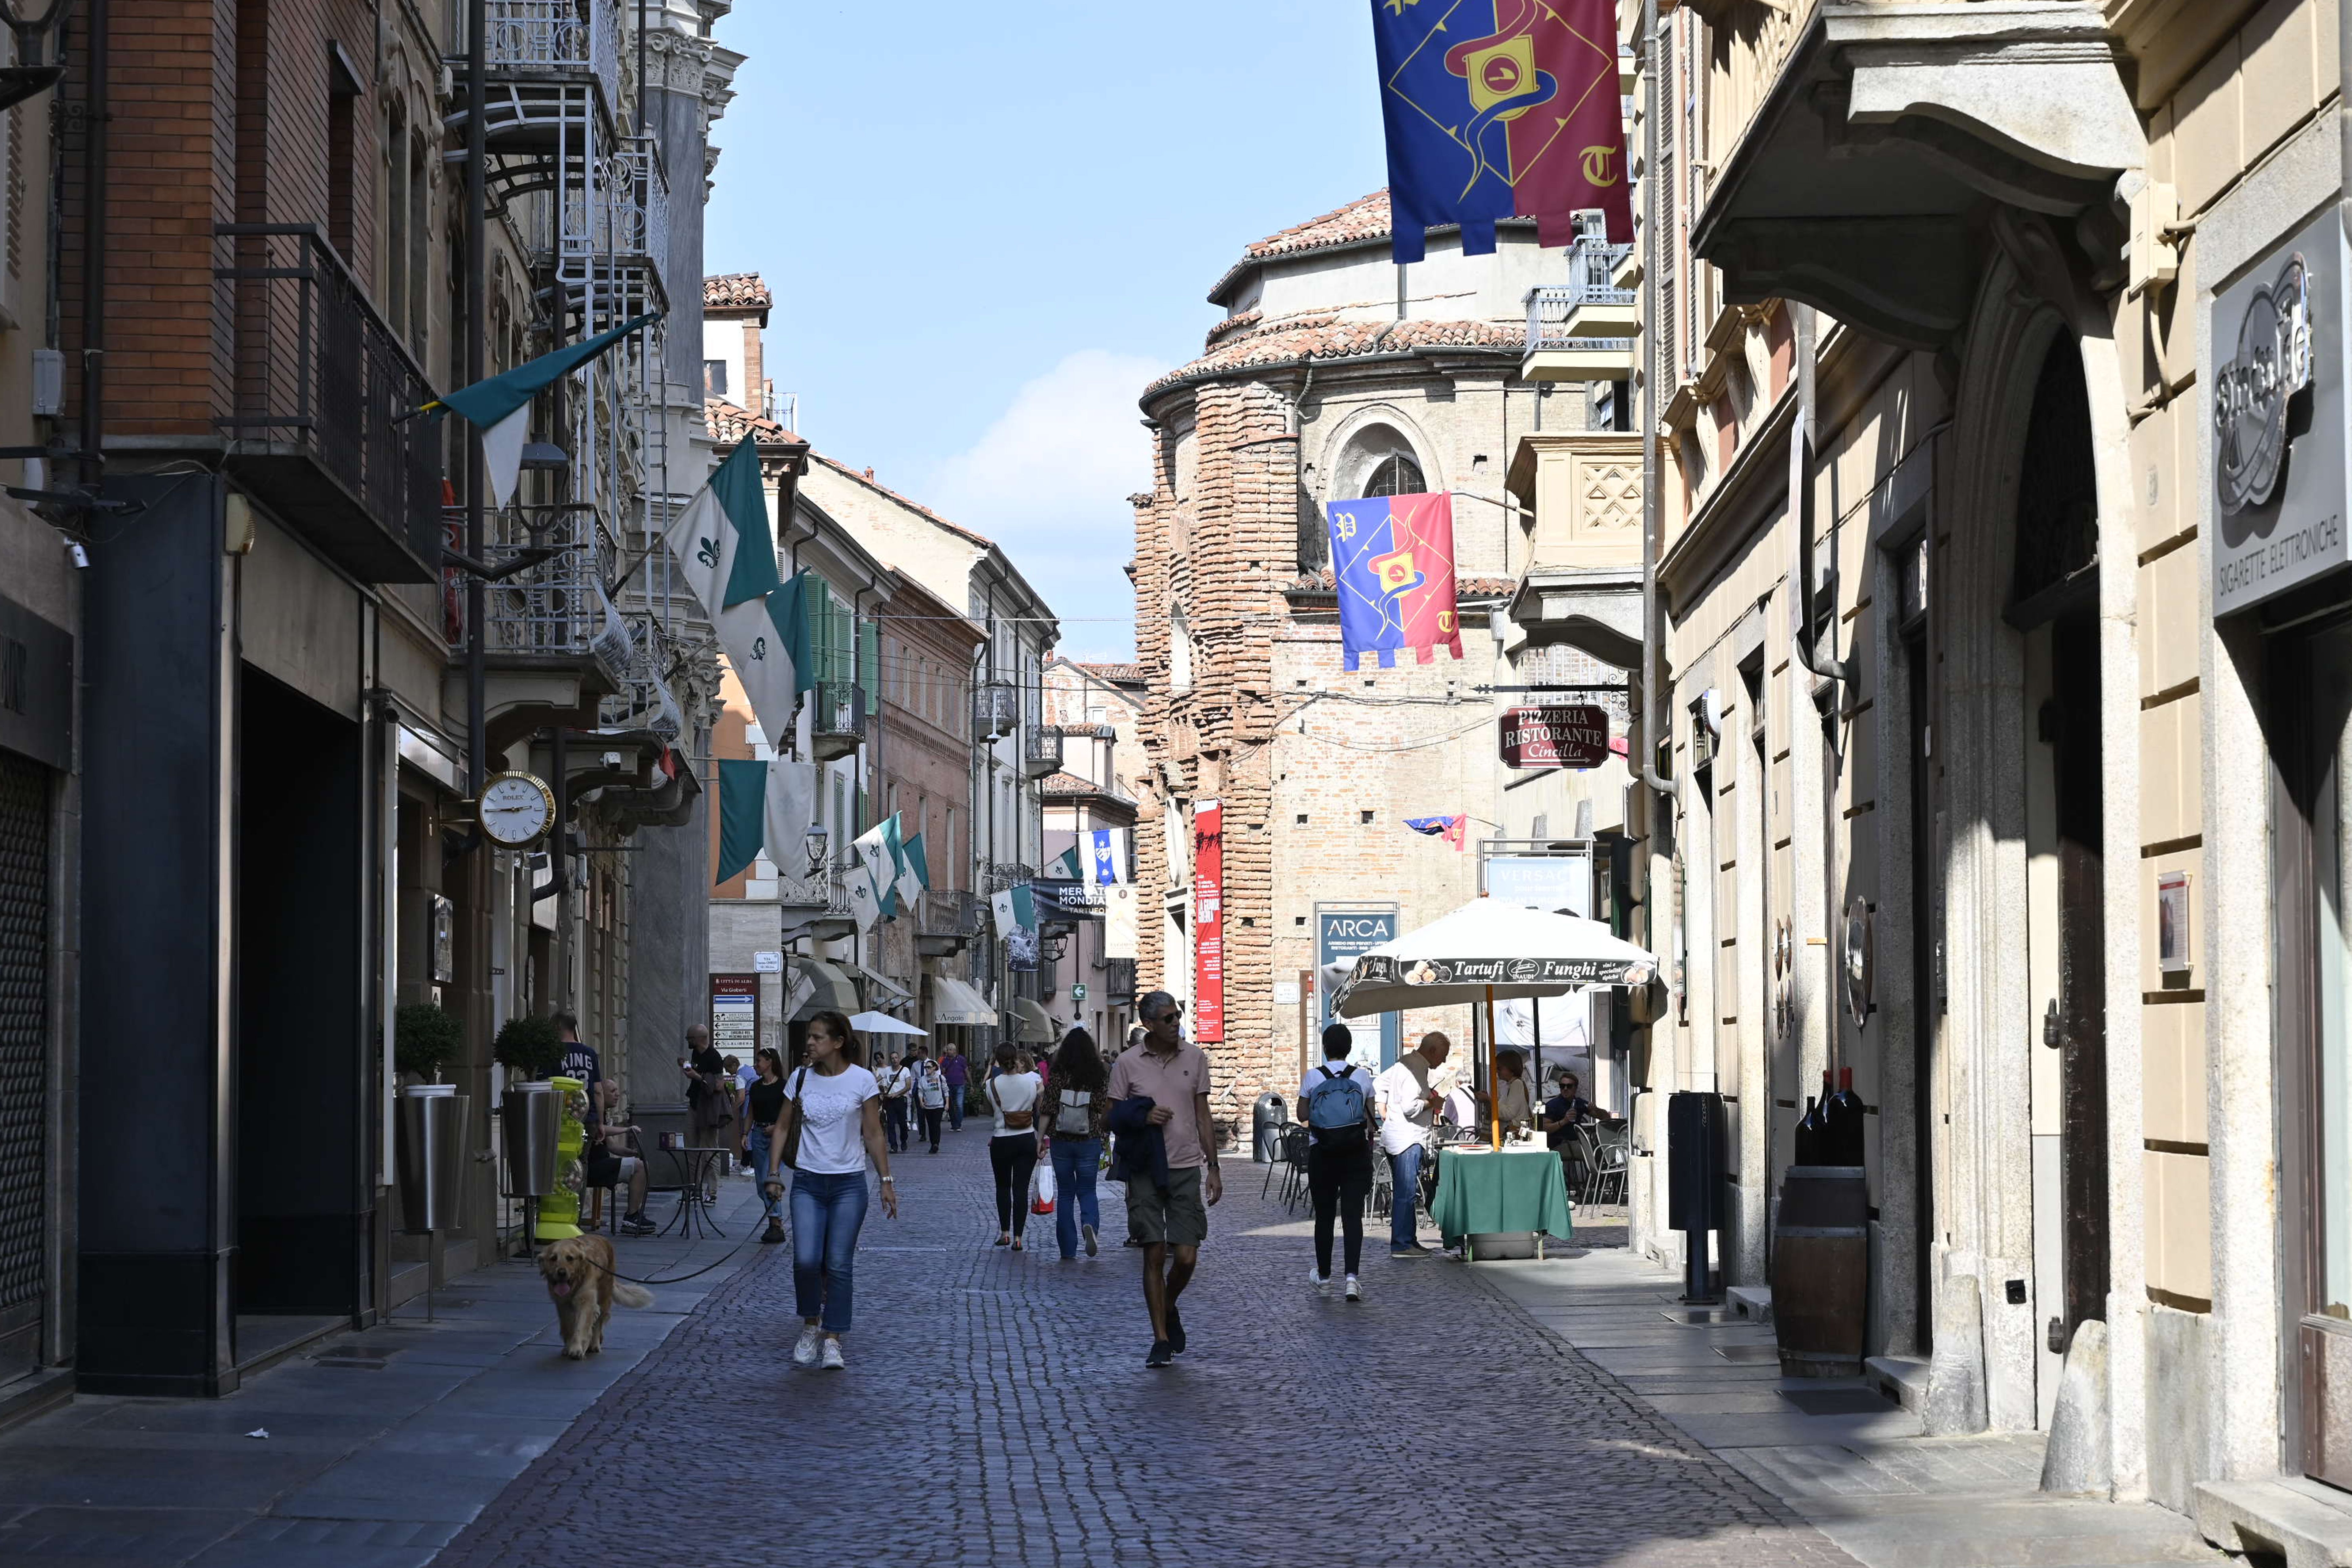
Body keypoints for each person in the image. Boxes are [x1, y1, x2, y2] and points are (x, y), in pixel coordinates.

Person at [763, 1010, 896, 1370]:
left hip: (849, 1184)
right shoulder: (800, 1078)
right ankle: (811, 1325)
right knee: (806, 1260)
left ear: (838, 1042)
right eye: (809, 1036)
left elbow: (873, 1133)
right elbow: (782, 1128)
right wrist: (773, 1173)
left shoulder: (862, 1080)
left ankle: (834, 1339)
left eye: (818, 1037)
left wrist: (886, 1181)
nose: (810, 1042)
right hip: (807, 1181)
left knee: (838, 1263)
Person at [1106, 991, 1219, 1367]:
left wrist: (1214, 1168)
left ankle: (1168, 1306)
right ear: (1149, 1025)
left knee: (1186, 1256)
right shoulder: (1127, 1063)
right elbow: (1110, 1118)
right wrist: (1143, 1117)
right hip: (1144, 1169)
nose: (1176, 1023)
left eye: (1178, 1016)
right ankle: (1160, 1339)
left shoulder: (1195, 1057)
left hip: (1186, 1166)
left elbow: (1203, 1114)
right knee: (1154, 1251)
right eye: (1169, 1019)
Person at [1299, 1022, 1377, 1300]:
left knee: (1325, 1217)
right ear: (1350, 1048)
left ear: (1324, 1048)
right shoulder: (1363, 1077)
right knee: (1353, 1216)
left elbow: (1301, 1114)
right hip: (1355, 1154)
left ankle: (1324, 1276)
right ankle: (1352, 1278)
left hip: (1323, 1153)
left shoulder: (1312, 1076)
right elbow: (1370, 1120)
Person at [1374, 1032, 1448, 1257]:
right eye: (1443, 1055)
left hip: (1400, 1137)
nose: (1444, 1061)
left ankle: (1409, 1240)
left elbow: (1379, 1082)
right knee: (1406, 1193)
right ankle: (1402, 1243)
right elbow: (1410, 1107)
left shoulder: (1406, 1062)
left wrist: (1385, 1109)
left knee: (1406, 1192)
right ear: (1433, 1051)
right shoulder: (1414, 1067)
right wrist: (1432, 1102)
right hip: (1408, 1139)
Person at [1038, 1027, 1109, 1261]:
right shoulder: (1099, 1074)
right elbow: (1101, 1109)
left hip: (1061, 1139)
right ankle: (1090, 1225)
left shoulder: (1058, 1073)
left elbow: (1047, 1109)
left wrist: (1040, 1139)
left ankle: (1068, 1249)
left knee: (1066, 1194)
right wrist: (1104, 1136)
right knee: (1088, 1190)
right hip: (1089, 1139)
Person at [984, 1043, 1042, 1251]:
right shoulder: (1030, 1082)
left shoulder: (992, 1085)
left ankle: (1005, 1233)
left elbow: (990, 1109)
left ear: (998, 1060)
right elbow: (1039, 1106)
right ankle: (1019, 1237)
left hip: (1001, 1138)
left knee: (1003, 1187)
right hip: (1026, 1138)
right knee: (1021, 1190)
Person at [581, 1081, 655, 1236]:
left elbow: (613, 1147)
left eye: (618, 1091)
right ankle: (632, 1217)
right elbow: (598, 1131)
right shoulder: (593, 1114)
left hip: (603, 1166)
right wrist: (627, 1129)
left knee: (641, 1164)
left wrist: (632, 1153)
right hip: (592, 1168)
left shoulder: (604, 1115)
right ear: (601, 1095)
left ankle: (634, 1215)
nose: (617, 1095)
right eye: (613, 1091)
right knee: (640, 1167)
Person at [742, 1046, 790, 1244]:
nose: (756, 1065)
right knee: (762, 1185)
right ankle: (774, 1221)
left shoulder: (784, 1086)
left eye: (759, 1061)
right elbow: (751, 1112)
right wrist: (745, 1133)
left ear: (770, 1062)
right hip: (759, 1135)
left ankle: (776, 1224)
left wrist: (777, 1127)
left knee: (771, 1179)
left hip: (777, 1137)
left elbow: (790, 1114)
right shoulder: (756, 1087)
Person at [554, 1013, 600, 1105]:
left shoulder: (553, 1053)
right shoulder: (590, 1053)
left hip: (563, 1113)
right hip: (588, 1112)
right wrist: (600, 1119)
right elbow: (598, 1090)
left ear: (558, 1026)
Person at [912, 1047, 948, 1153]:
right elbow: (920, 1091)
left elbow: (946, 1090)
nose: (927, 1069)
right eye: (926, 1068)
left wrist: (947, 1104)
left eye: (929, 1068)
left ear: (934, 1068)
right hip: (928, 1105)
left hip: (939, 1105)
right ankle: (932, 1141)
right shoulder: (922, 1079)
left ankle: (936, 1144)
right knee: (931, 1125)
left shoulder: (940, 1078)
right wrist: (921, 1101)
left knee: (936, 1125)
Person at [878, 1051, 912, 1154]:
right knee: (891, 1124)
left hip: (901, 1099)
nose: (895, 1060)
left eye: (896, 1058)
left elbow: (908, 1086)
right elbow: (877, 1079)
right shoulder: (887, 1070)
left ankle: (904, 1140)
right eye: (892, 1058)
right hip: (890, 1101)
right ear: (890, 1060)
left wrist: (897, 1093)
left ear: (899, 1059)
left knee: (902, 1123)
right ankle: (894, 1146)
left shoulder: (905, 1070)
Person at [1494, 1049, 1534, 1133]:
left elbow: (1509, 1114)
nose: (1497, 1072)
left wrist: (1492, 1103)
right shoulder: (1511, 1085)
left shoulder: (1517, 1084)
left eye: (1499, 1068)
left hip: (1515, 1132)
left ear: (1511, 1069)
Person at [940, 1043, 969, 1132]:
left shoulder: (961, 1059)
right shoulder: (945, 1060)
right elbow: (943, 1071)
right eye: (947, 1050)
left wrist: (970, 1083)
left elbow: (967, 1071)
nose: (948, 1052)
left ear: (954, 1051)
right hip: (949, 1085)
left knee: (959, 1105)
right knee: (951, 1106)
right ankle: (954, 1124)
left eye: (949, 1050)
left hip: (960, 1084)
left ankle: (958, 1124)